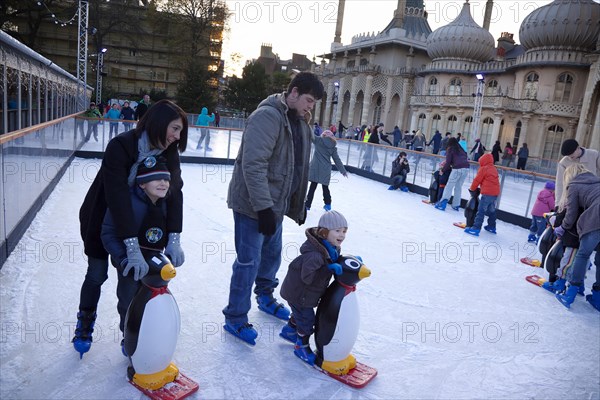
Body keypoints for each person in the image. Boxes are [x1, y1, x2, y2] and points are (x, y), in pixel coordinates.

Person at [72, 100, 188, 357]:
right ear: (158, 123)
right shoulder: (121, 146)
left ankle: (131, 333)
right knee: (97, 273)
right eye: (175, 129)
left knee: (132, 284)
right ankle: (85, 323)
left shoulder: (168, 152)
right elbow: (116, 197)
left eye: (180, 131)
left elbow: (175, 193)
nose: (177, 137)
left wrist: (174, 237)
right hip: (103, 219)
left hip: (141, 222)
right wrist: (130, 247)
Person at [223, 72, 324, 343]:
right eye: (308, 100)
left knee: (271, 256)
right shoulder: (267, 117)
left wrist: (296, 204)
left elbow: (298, 168)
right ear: (293, 92)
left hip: (275, 205)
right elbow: (253, 166)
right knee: (248, 262)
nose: (310, 107)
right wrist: (264, 209)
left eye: (313, 104)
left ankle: (265, 297)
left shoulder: (298, 121)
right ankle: (235, 317)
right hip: (251, 205)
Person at [100, 156, 173, 344]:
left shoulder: (165, 204)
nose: (163, 183)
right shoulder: (127, 203)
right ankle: (129, 335)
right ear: (141, 184)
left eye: (166, 179)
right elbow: (108, 233)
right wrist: (124, 259)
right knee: (128, 301)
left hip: (154, 264)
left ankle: (149, 333)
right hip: (129, 266)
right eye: (157, 179)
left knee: (152, 299)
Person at [279, 210, 348, 364]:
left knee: (300, 315)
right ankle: (300, 346)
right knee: (307, 320)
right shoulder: (315, 255)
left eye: (344, 231)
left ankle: (290, 331)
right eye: (337, 231)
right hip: (299, 293)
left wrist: (345, 261)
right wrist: (328, 268)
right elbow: (307, 277)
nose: (342, 235)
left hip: (305, 294)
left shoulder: (332, 248)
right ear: (324, 232)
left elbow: (332, 259)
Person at [554, 164, 600, 310]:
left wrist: (563, 227)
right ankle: (598, 298)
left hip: (596, 218)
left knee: (583, 254)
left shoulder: (574, 185)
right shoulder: (596, 181)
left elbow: (571, 214)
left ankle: (570, 294)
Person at [305, 130, 348, 211]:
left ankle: (307, 205)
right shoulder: (333, 146)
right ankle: (328, 204)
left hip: (316, 168)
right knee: (325, 187)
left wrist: (305, 123)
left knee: (312, 187)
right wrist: (343, 171)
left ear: (323, 135)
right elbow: (337, 160)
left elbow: (310, 134)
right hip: (325, 169)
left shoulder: (318, 140)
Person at [464, 153, 500, 236]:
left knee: (481, 211)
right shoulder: (494, 168)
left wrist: (472, 189)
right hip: (495, 194)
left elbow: (477, 180)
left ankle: (476, 228)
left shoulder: (483, 169)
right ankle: (491, 226)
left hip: (487, 194)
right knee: (491, 210)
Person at [435, 137, 470, 211]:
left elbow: (448, 162)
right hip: (466, 169)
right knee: (458, 187)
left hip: (457, 169)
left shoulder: (450, 149)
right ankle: (456, 205)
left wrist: (443, 170)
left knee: (449, 186)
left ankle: (443, 203)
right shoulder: (461, 149)